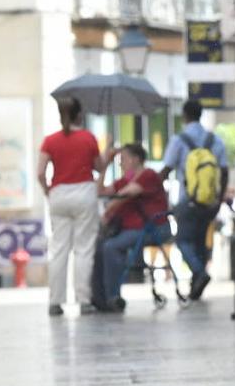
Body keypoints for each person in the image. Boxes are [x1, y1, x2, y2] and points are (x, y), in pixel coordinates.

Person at [38, 97, 109, 316]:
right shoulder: (88, 138)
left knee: (59, 249)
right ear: (80, 115)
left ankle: (55, 302)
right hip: (84, 194)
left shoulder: (50, 141)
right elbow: (99, 167)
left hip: (59, 194)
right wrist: (108, 152)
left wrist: (48, 191)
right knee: (83, 249)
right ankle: (84, 300)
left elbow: (40, 172)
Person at [161, 100, 227, 301]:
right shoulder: (214, 140)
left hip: (187, 200)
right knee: (199, 243)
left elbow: (166, 170)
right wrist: (218, 200)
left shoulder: (179, 140)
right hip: (208, 202)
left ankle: (199, 273)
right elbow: (223, 171)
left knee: (182, 240)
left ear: (185, 115)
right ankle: (196, 289)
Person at [92, 143, 171, 312]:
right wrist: (105, 165)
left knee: (111, 247)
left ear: (136, 159)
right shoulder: (125, 179)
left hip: (153, 229)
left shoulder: (148, 175)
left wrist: (108, 210)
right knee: (99, 246)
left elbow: (126, 194)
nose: (120, 163)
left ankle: (112, 295)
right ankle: (100, 298)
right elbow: (100, 191)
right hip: (131, 230)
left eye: (124, 159)